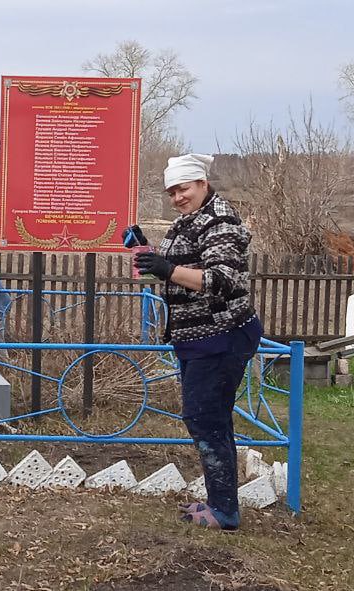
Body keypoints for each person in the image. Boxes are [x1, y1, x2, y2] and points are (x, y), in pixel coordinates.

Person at [131, 153, 262, 531]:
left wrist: (169, 269)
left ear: (203, 183)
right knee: (208, 418)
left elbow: (224, 280)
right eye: (171, 191)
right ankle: (221, 502)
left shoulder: (220, 222)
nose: (177, 197)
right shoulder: (190, 221)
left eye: (183, 188)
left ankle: (224, 511)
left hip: (221, 336)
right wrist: (152, 256)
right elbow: (181, 272)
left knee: (205, 417)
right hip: (199, 338)